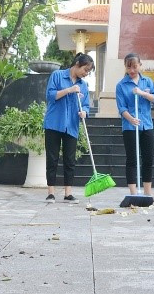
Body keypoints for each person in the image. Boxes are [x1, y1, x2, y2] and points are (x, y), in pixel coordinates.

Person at [42, 53, 93, 204]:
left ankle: (68, 193)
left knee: (70, 160)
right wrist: (69, 90)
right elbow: (50, 95)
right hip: (54, 124)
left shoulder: (84, 85)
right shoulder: (57, 75)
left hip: (72, 126)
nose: (86, 73)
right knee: (52, 158)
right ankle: (51, 192)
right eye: (85, 69)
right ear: (77, 64)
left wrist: (85, 112)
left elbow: (86, 105)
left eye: (88, 72)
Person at [115, 53, 154, 202]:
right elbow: (121, 108)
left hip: (147, 125)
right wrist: (131, 119)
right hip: (130, 126)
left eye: (135, 66)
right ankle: (134, 193)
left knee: (148, 158)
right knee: (132, 159)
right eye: (129, 67)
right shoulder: (121, 85)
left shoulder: (148, 82)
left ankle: (148, 192)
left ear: (140, 65)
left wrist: (142, 93)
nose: (132, 70)